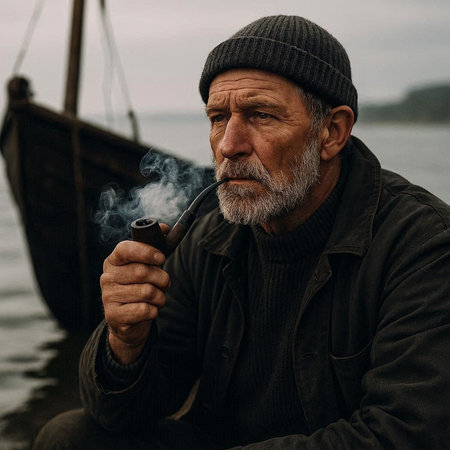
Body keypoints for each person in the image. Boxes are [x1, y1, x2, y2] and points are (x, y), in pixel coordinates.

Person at [34, 15, 450, 449]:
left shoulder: (423, 246)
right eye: (218, 117)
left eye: (261, 115)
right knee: (69, 437)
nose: (229, 144)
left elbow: (409, 432)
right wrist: (125, 341)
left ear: (332, 132)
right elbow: (120, 416)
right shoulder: (209, 238)